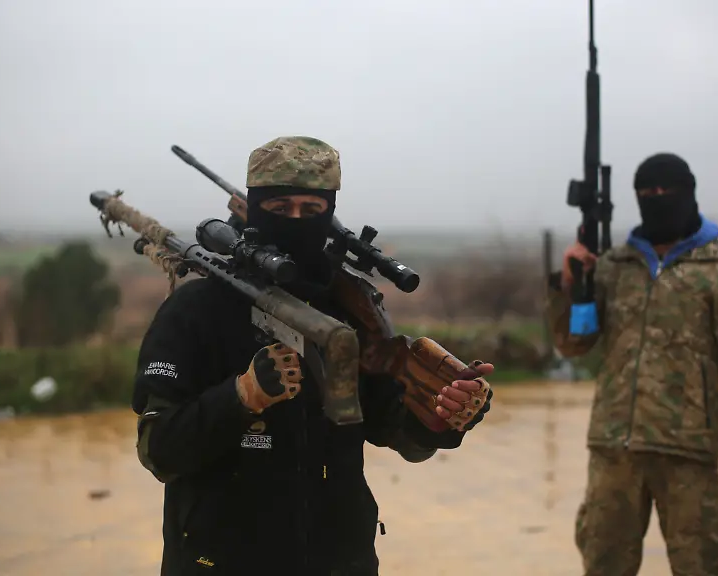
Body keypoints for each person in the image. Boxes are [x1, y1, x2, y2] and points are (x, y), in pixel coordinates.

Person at [131, 136, 494, 575]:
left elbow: (395, 433)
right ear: (255, 212)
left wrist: (439, 416)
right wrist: (241, 396)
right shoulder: (196, 310)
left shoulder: (348, 309)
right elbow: (159, 451)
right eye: (280, 208)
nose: (295, 222)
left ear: (329, 214)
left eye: (312, 210)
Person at [546, 152, 718, 576]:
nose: (658, 197)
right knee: (603, 563)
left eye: (667, 189)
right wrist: (569, 283)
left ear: (688, 193)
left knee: (701, 564)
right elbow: (572, 344)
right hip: (615, 449)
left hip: (687, 450)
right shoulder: (613, 267)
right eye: (647, 191)